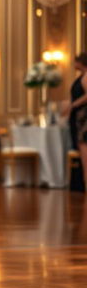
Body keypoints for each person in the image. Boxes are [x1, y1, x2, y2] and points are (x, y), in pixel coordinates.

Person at [65, 52, 87, 191]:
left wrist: (73, 105)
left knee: (84, 150)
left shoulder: (86, 77)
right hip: (81, 117)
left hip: (84, 117)